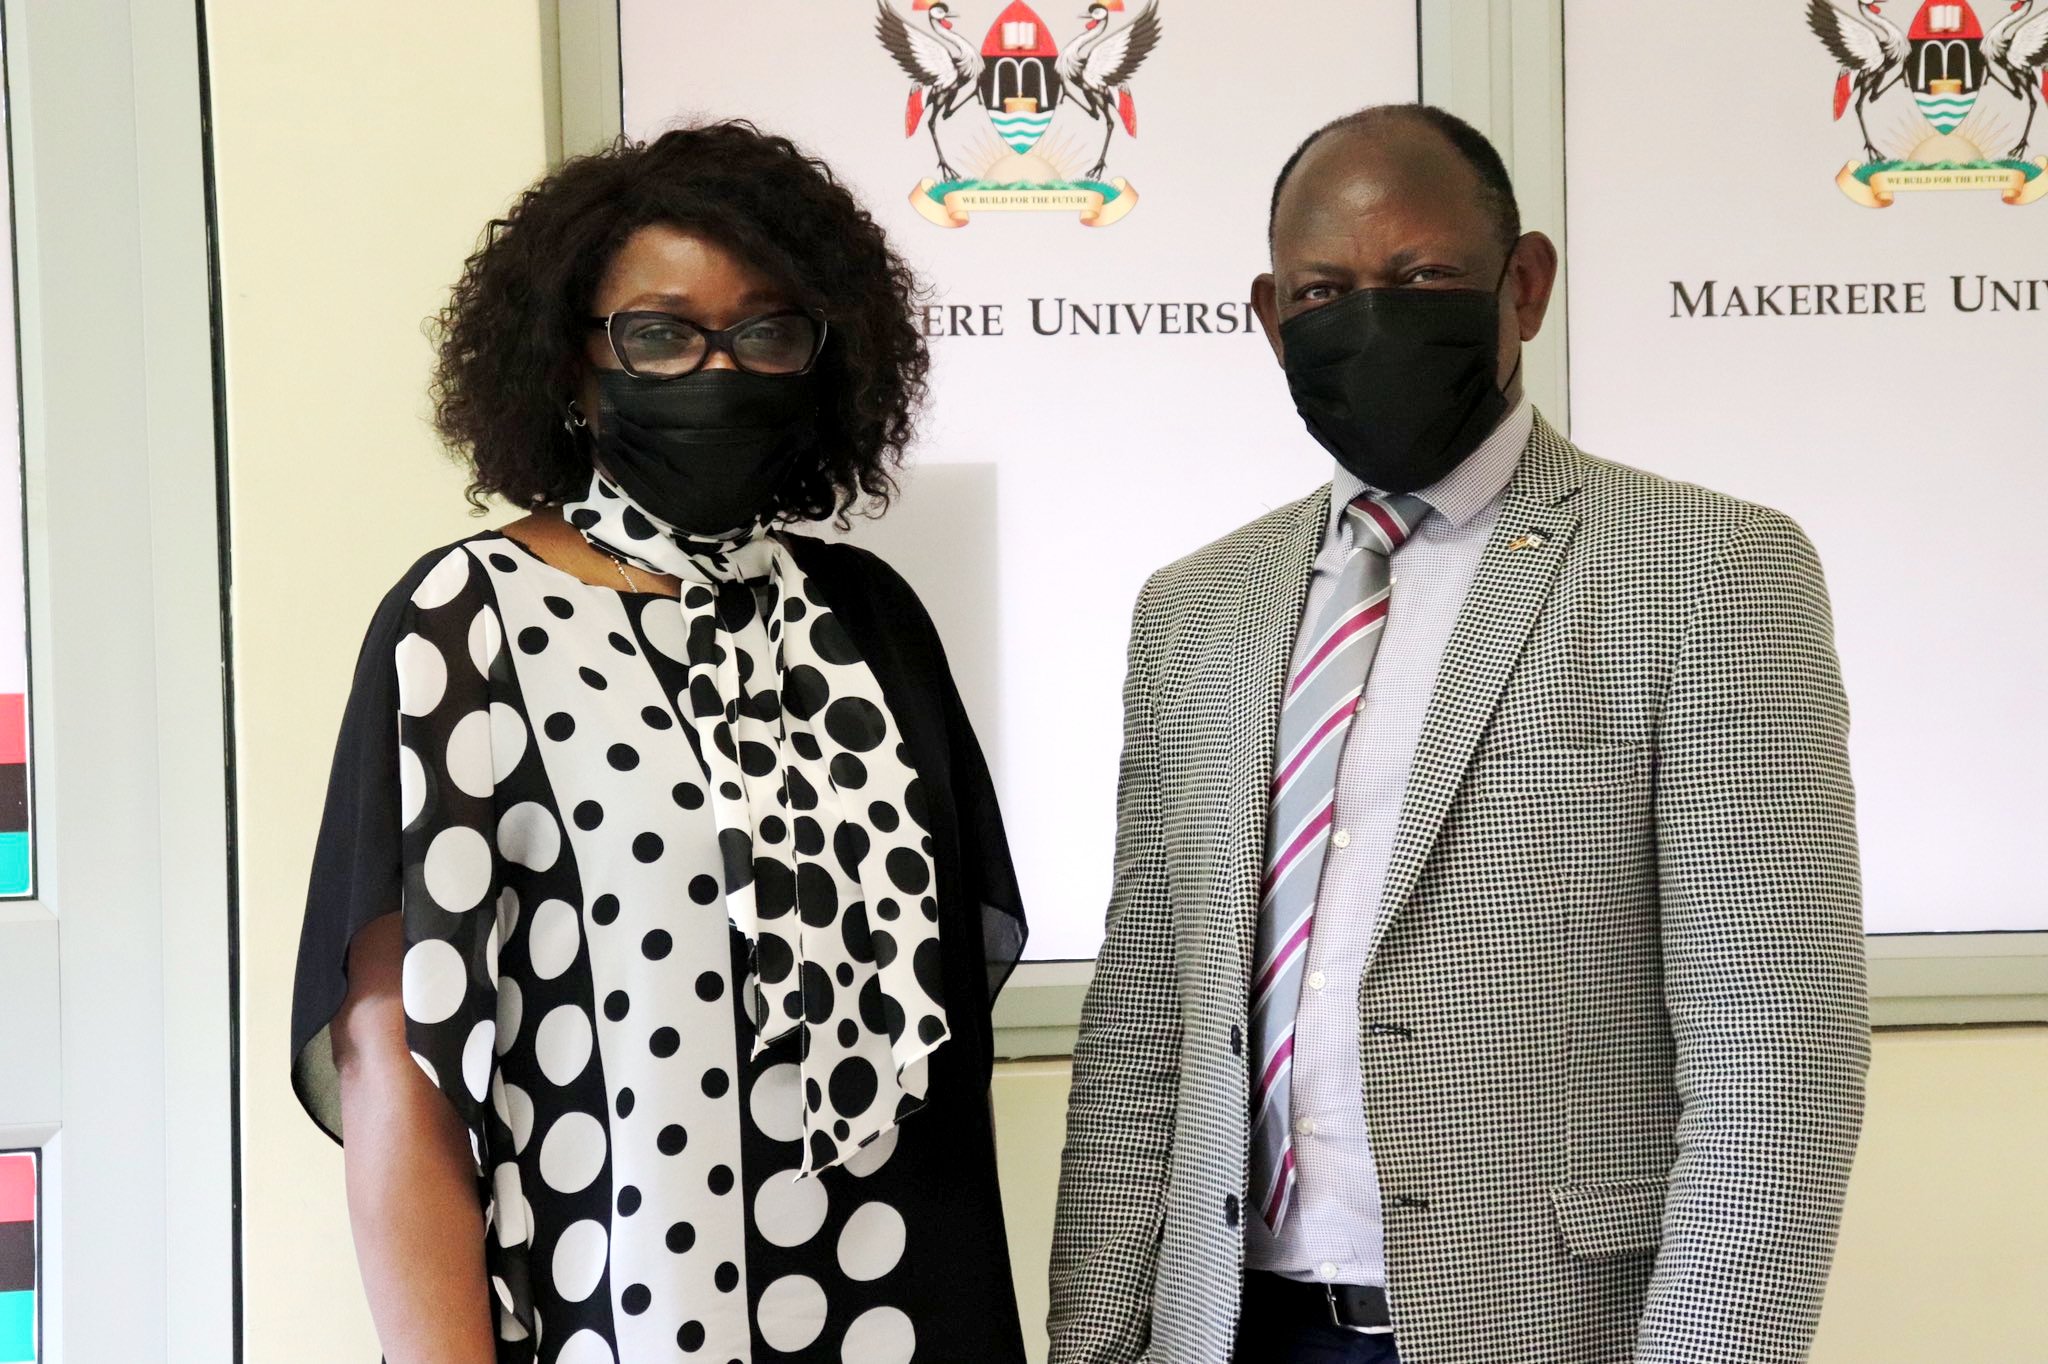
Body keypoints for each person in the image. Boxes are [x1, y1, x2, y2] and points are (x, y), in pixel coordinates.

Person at [1048, 104, 1868, 1364]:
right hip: (1229, 1325)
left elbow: (1774, 1051)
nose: (1369, 315)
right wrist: (1096, 1343)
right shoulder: (1192, 608)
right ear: (1270, 317)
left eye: (1420, 277)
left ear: (1522, 285)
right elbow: (1144, 1023)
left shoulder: (1707, 570)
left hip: (1546, 1325)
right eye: (1324, 289)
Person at [290, 122, 1029, 1364]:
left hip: (904, 1297)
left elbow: (941, 1035)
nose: (717, 367)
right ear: (574, 364)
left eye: (763, 331)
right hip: (620, 1308)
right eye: (661, 330)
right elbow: (392, 1070)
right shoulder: (465, 622)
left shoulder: (871, 619)